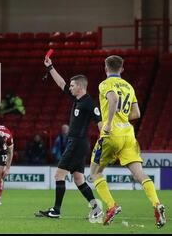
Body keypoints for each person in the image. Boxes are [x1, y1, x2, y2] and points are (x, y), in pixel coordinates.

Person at [89, 55, 166, 227]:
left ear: (105, 68)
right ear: (122, 69)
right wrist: (122, 118)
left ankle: (112, 206)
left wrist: (109, 123)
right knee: (140, 174)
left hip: (111, 133)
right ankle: (156, 204)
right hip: (128, 134)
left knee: (95, 172)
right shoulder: (129, 87)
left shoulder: (105, 84)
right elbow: (137, 113)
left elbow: (113, 99)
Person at [37, 55, 103, 220]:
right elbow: (61, 83)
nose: (70, 87)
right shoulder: (77, 98)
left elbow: (100, 123)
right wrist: (50, 67)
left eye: (73, 85)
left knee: (59, 175)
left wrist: (104, 143)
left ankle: (56, 210)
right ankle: (97, 209)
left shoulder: (89, 103)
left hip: (77, 143)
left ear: (80, 87)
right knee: (79, 178)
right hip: (76, 143)